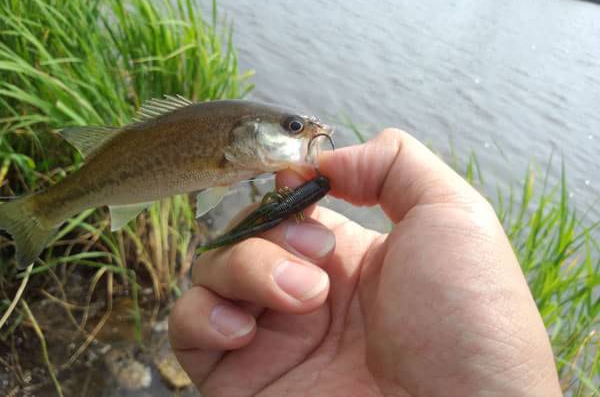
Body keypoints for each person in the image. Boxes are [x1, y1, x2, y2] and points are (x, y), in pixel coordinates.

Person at [168, 129, 562, 397]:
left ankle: (216, 247)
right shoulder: (311, 191)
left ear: (313, 192)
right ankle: (217, 247)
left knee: (245, 239)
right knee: (244, 244)